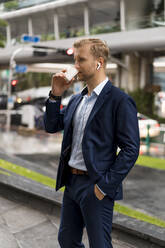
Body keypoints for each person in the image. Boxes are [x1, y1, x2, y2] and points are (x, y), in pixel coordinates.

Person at [44, 38, 140, 248]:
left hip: (95, 185)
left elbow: (131, 149)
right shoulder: (77, 100)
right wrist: (55, 95)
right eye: (74, 60)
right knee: (67, 240)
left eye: (80, 60)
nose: (74, 66)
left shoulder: (119, 100)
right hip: (72, 183)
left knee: (99, 245)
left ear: (99, 62)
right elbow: (52, 126)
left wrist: (104, 186)